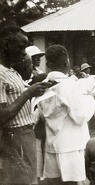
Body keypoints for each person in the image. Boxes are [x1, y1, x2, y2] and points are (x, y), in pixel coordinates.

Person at [35, 45, 95, 184]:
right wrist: (90, 99)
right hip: (71, 146)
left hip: (52, 145)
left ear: (48, 65)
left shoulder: (43, 85)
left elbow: (43, 114)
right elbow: (80, 116)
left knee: (55, 182)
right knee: (72, 182)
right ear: (66, 62)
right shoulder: (69, 86)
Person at [0, 24, 49, 185]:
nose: (24, 52)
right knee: (22, 180)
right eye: (21, 47)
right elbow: (2, 116)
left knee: (30, 179)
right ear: (6, 46)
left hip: (26, 134)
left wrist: (35, 90)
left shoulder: (11, 71)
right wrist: (28, 93)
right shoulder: (0, 73)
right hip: (15, 135)